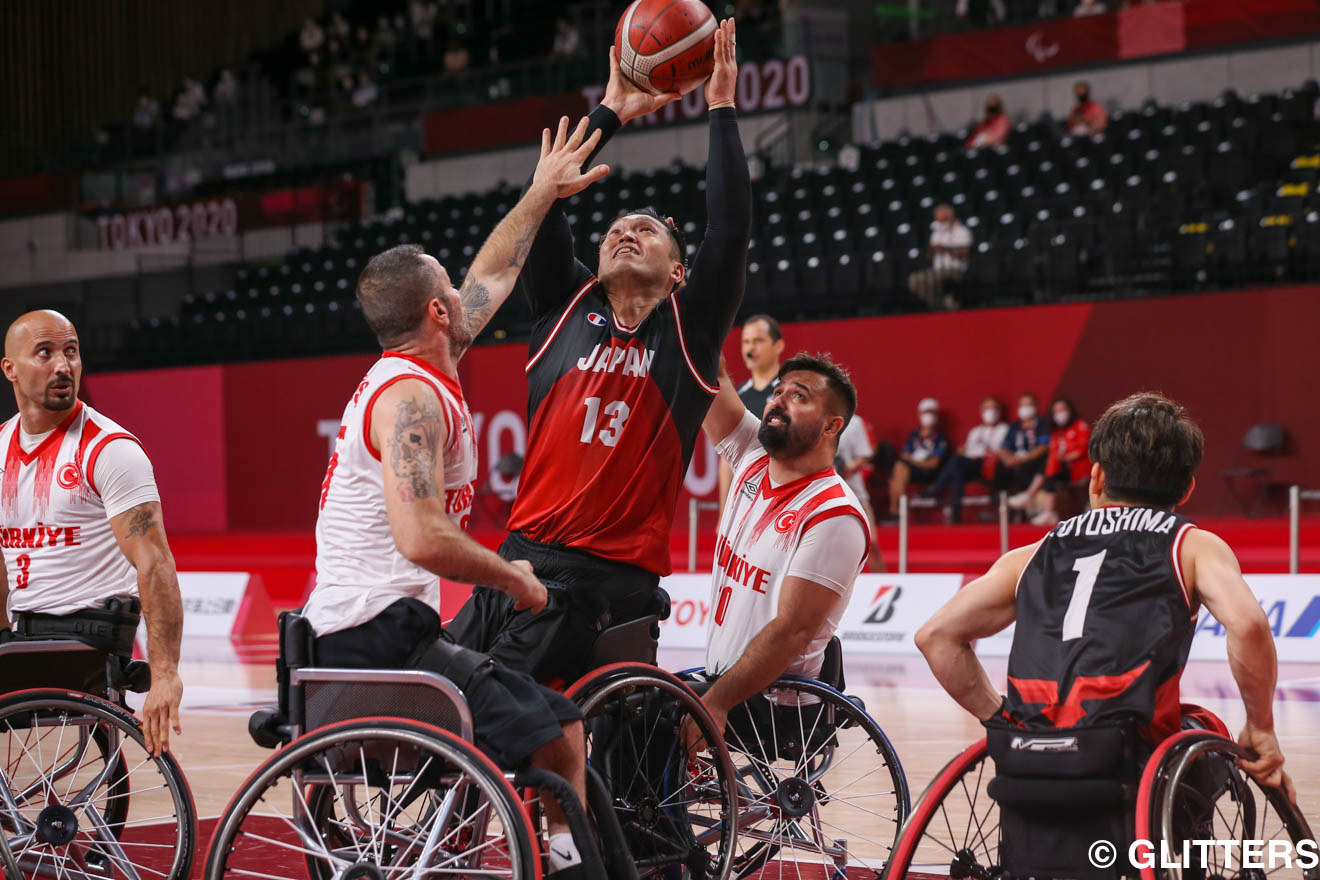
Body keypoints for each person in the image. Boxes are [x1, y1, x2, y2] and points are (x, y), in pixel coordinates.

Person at [306, 117, 610, 879]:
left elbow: (494, 272)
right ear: (437, 313)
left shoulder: (416, 368)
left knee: (518, 698)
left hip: (346, 630)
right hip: (375, 638)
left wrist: (541, 194)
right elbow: (421, 538)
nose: (463, 295)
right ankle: (573, 869)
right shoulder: (410, 399)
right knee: (562, 730)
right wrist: (515, 578)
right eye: (450, 292)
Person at [450, 20, 750, 687]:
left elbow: (728, 232)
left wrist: (721, 107)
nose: (624, 235)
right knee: (434, 697)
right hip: (519, 559)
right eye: (615, 230)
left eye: (645, 232)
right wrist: (611, 111)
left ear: (679, 272)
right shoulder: (564, 305)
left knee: (490, 707)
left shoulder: (688, 329)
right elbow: (547, 202)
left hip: (606, 577)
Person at [916, 392, 1293, 803]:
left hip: (1025, 753)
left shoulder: (1031, 553)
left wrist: (1001, 720)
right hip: (1129, 754)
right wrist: (1261, 727)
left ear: (1096, 477)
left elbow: (935, 637)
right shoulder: (1192, 545)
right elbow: (1250, 624)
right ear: (1186, 491)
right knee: (1207, 728)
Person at [0, 310, 184, 757]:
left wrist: (165, 675)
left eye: (71, 352)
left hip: (82, 641)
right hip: (22, 640)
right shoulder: (1, 445)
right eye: (45, 353)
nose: (63, 366)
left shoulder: (110, 449)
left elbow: (154, 561)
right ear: (10, 369)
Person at [682, 354, 869, 748]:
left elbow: (792, 632)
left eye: (798, 396)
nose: (778, 401)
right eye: (777, 391)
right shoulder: (752, 456)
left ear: (832, 426)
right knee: (621, 707)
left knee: (643, 723)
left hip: (776, 705)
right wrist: (672, 297)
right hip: (725, 683)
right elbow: (708, 368)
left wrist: (716, 702)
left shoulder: (835, 515)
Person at [716, 314, 783, 514]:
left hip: (779, 498)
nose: (750, 348)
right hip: (746, 501)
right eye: (746, 342)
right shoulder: (737, 395)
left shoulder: (789, 392)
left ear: (778, 346)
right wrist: (724, 514)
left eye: (758, 341)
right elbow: (728, 456)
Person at [1009, 396, 1091, 525]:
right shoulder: (1055, 431)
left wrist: (1062, 458)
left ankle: (1032, 496)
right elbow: (1054, 451)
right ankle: (1046, 510)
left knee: (1051, 463)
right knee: (1050, 465)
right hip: (1060, 470)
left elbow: (1081, 450)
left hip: (1077, 469)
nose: (1060, 414)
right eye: (1056, 411)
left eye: (1062, 409)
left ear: (1070, 410)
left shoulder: (1079, 426)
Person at [925, 396, 1008, 523]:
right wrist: (972, 452)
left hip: (993, 465)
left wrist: (974, 452)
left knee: (956, 462)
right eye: (987, 408)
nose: (990, 412)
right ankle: (955, 514)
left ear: (999, 411)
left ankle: (936, 490)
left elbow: (998, 450)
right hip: (972, 465)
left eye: (994, 408)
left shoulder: (1004, 429)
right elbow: (966, 451)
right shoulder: (975, 431)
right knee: (956, 468)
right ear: (981, 411)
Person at [885, 397, 950, 523]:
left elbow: (933, 464)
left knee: (898, 472)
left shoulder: (940, 438)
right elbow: (905, 455)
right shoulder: (914, 435)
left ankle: (896, 513)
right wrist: (909, 460)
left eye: (931, 412)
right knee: (898, 474)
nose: (928, 416)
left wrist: (913, 461)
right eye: (925, 412)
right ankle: (900, 513)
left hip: (927, 473)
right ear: (919, 414)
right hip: (910, 471)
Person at [837, 412, 886, 571]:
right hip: (825, 494)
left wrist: (849, 466)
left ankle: (883, 585)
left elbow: (865, 454)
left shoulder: (855, 423)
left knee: (871, 543)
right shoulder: (815, 417)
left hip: (855, 492)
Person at [907, 204, 971, 310]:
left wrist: (944, 248)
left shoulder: (961, 231)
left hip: (956, 268)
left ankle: (941, 303)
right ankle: (940, 303)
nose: (940, 222)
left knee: (931, 280)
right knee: (914, 280)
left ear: (950, 217)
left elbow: (964, 255)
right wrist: (932, 250)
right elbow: (929, 255)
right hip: (937, 269)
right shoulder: (936, 233)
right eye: (938, 219)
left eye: (943, 219)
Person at [994, 392, 1050, 499]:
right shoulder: (1014, 426)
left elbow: (1043, 447)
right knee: (1001, 466)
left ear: (1035, 406)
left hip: (1031, 460)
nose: (1025, 408)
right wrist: (1007, 459)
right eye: (1023, 405)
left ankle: (1027, 499)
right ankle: (1001, 500)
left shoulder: (1042, 424)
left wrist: (1022, 460)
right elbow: (1004, 447)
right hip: (1014, 460)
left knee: (1028, 468)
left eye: (1029, 405)